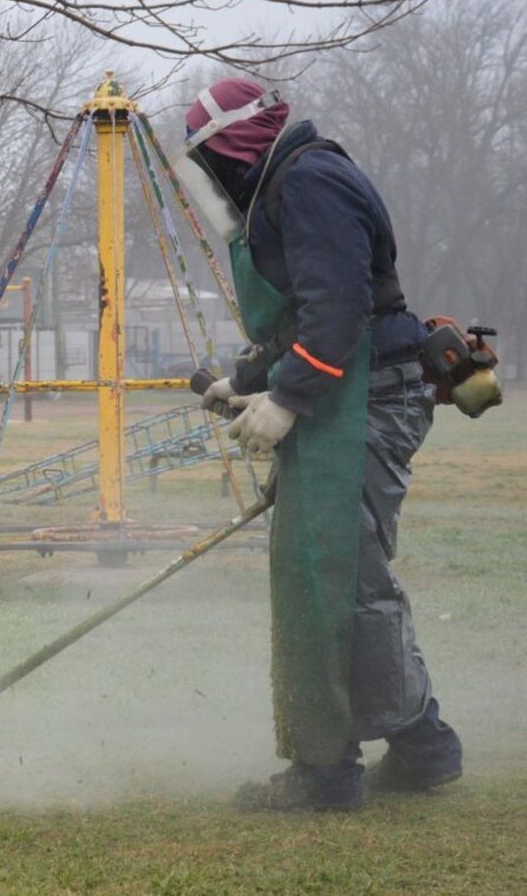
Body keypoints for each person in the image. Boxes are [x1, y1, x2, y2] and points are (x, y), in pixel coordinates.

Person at [185, 78, 462, 812]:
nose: (215, 178)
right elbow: (305, 317)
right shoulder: (289, 182)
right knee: (337, 576)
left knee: (341, 580)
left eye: (211, 160)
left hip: (367, 397)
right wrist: (248, 379)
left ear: (234, 147)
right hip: (347, 394)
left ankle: (334, 773)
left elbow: (340, 306)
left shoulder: (309, 180)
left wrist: (287, 397)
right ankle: (417, 746)